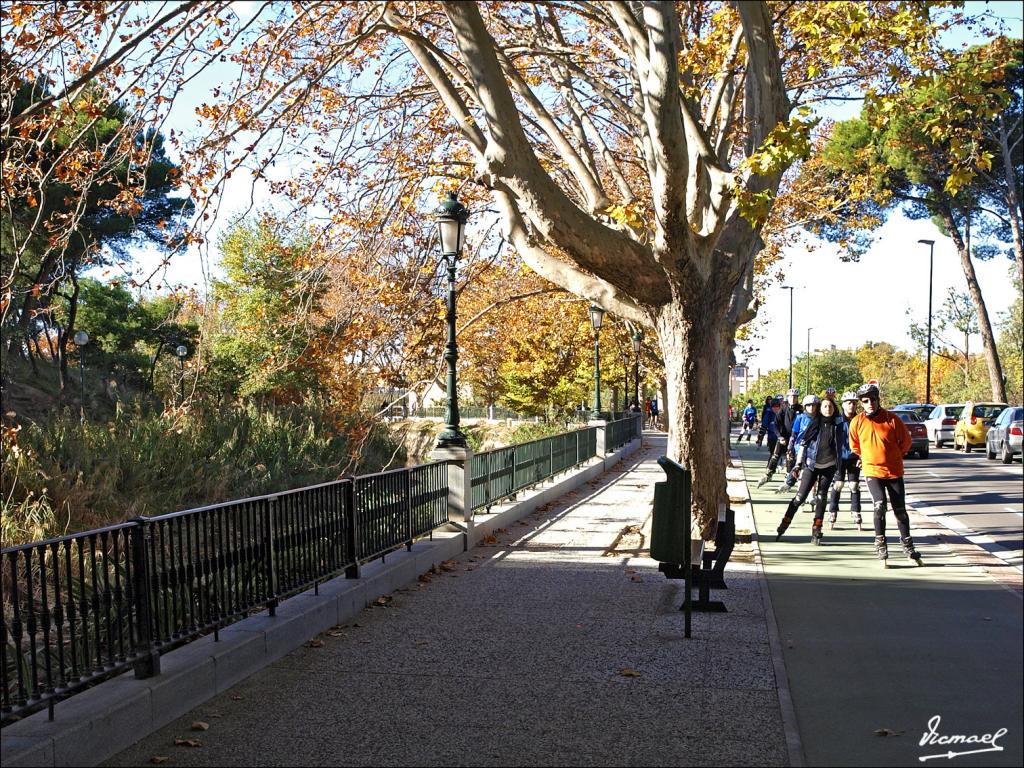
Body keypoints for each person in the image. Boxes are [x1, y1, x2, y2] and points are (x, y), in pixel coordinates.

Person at [849, 383, 922, 567]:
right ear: (861, 403)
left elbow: (906, 442)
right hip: (873, 471)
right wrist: (866, 457)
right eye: (865, 401)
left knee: (900, 511)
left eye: (873, 399)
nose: (870, 403)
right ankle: (881, 544)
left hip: (894, 471)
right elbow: (854, 445)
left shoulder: (892, 419)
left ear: (878, 399)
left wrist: (894, 455)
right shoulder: (857, 422)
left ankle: (908, 547)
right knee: (879, 505)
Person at [775, 394, 844, 544]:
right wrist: (798, 464)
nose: (828, 409)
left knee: (821, 497)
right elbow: (804, 444)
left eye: (830, 406)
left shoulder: (837, 425)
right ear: (821, 409)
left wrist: (840, 472)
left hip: (829, 466)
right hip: (811, 464)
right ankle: (784, 524)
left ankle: (817, 529)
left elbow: (842, 447)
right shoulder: (814, 423)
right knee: (800, 498)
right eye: (825, 406)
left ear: (834, 408)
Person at [827, 391, 863, 530]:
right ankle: (832, 511)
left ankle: (856, 512)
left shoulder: (860, 420)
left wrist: (862, 457)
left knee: (854, 485)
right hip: (839, 457)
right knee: (838, 484)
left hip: (854, 457)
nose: (852, 406)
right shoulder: (837, 420)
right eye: (849, 403)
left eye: (854, 403)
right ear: (843, 405)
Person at [757, 388, 800, 487]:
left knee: (791, 457)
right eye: (791, 397)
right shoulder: (783, 409)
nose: (793, 399)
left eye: (795, 397)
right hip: (783, 437)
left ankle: (789, 477)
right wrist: (780, 437)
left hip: (795, 438)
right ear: (787, 398)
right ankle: (768, 474)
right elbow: (775, 425)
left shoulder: (801, 409)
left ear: (797, 398)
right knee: (775, 455)